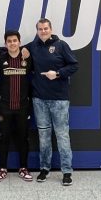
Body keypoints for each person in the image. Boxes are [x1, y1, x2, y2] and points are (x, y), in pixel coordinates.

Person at [27, 18, 79, 186]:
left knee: (62, 135)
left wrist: (57, 74)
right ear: (37, 31)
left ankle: (67, 171)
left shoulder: (61, 45)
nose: (43, 31)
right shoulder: (32, 46)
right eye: (40, 29)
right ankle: (44, 169)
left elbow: (74, 65)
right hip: (39, 99)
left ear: (51, 29)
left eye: (46, 28)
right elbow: (13, 48)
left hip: (59, 100)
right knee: (43, 136)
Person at [0, 30, 34, 183]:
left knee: (23, 138)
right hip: (4, 107)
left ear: (19, 42)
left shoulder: (28, 58)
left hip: (23, 107)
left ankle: (23, 168)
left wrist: (26, 50)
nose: (12, 43)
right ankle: (2, 169)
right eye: (9, 41)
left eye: (15, 40)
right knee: (3, 138)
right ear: (5, 44)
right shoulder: (0, 58)